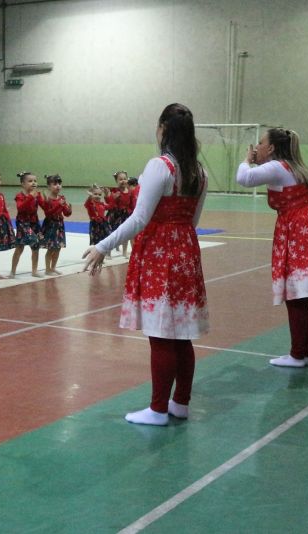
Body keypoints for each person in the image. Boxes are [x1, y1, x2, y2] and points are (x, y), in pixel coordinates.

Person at [83, 103, 209, 426]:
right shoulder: (199, 172)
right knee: (181, 334)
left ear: (163, 129)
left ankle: (157, 409)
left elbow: (140, 218)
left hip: (159, 254)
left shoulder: (160, 166)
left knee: (161, 334)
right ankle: (180, 403)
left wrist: (103, 246)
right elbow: (193, 220)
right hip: (186, 252)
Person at [237, 128, 308, 367]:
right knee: (300, 297)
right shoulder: (293, 167)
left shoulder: (277, 167)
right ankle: (302, 352)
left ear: (271, 148)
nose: (257, 147)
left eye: (261, 143)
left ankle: (298, 355)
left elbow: (244, 178)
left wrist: (246, 160)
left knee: (296, 295)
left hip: (301, 232)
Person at [10, 171, 44, 278]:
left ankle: (34, 270)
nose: (33, 183)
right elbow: (20, 208)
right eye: (30, 181)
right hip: (23, 224)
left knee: (35, 246)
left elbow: (45, 206)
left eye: (35, 181)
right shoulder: (19, 196)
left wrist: (49, 200)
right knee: (21, 247)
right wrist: (30, 197)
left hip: (34, 223)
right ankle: (12, 271)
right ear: (23, 184)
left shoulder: (37, 195)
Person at [40, 174, 72, 275]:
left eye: (59, 183)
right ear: (49, 186)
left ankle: (53, 267)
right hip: (51, 225)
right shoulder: (48, 199)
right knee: (51, 248)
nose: (58, 186)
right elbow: (48, 213)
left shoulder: (61, 198)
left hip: (59, 225)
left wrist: (69, 209)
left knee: (58, 247)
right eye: (54, 184)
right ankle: (47, 269)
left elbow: (66, 214)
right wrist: (59, 204)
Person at [107, 171, 136, 256]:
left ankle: (124, 251)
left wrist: (133, 212)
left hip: (126, 215)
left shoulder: (130, 192)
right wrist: (113, 198)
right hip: (116, 216)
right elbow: (109, 202)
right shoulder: (115, 191)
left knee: (126, 233)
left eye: (124, 179)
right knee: (113, 233)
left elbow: (132, 204)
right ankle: (108, 253)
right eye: (120, 179)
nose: (123, 181)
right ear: (116, 181)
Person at [84, 184, 112, 249]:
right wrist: (90, 197)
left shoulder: (102, 204)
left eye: (99, 195)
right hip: (95, 225)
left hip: (104, 224)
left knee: (106, 239)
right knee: (96, 242)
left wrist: (108, 195)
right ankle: (96, 252)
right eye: (95, 194)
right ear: (92, 194)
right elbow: (87, 203)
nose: (97, 196)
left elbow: (110, 206)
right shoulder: (90, 204)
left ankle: (106, 253)